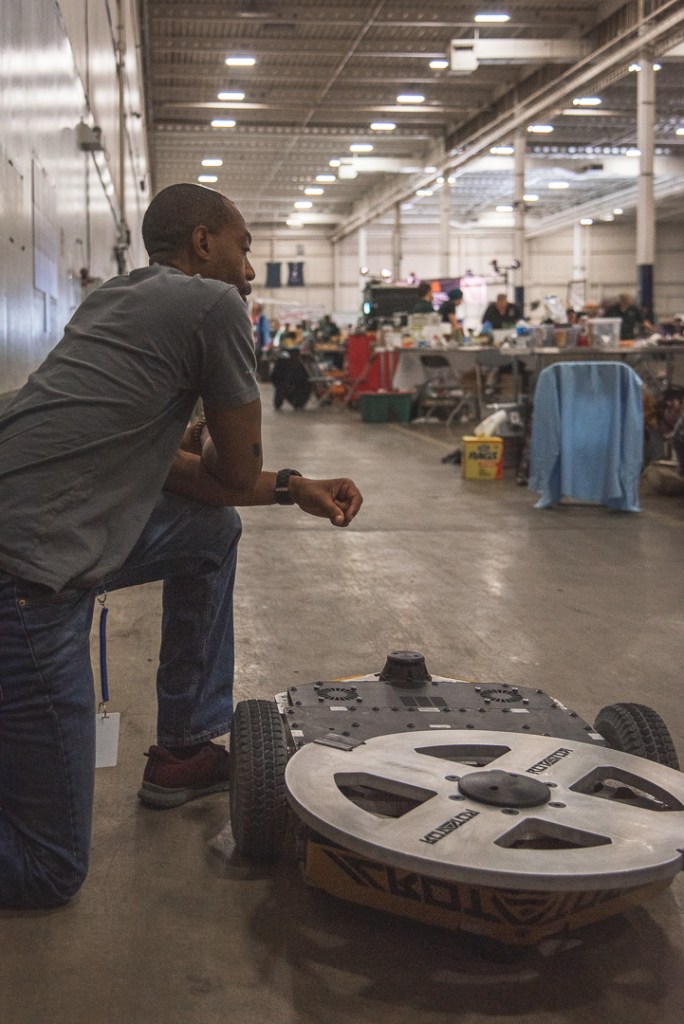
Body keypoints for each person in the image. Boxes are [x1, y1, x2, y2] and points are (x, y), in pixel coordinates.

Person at [0, 182, 363, 910]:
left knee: (208, 535)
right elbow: (231, 472)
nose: (250, 271)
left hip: (26, 537)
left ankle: (185, 749)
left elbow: (180, 475)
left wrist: (292, 487)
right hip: (27, 582)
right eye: (244, 249)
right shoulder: (216, 306)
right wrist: (242, 455)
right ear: (203, 242)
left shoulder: (113, 301)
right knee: (49, 869)